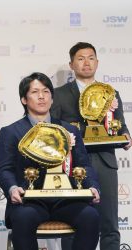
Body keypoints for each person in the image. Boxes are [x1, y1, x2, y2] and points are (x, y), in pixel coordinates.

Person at [0, 72, 101, 250]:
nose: (41, 96)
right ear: (24, 99)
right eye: (35, 92)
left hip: (65, 200)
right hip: (29, 202)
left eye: (46, 92)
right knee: (23, 218)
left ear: (52, 99)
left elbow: (83, 164)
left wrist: (92, 186)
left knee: (90, 216)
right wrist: (13, 189)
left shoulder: (69, 130)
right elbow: (4, 169)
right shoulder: (11, 132)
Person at [51, 42, 132, 250]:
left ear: (97, 62)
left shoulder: (110, 93)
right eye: (80, 58)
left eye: (90, 58)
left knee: (109, 223)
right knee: (72, 223)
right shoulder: (58, 94)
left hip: (105, 161)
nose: (86, 63)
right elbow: (53, 130)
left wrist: (125, 135)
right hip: (72, 164)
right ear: (71, 64)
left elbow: (120, 125)